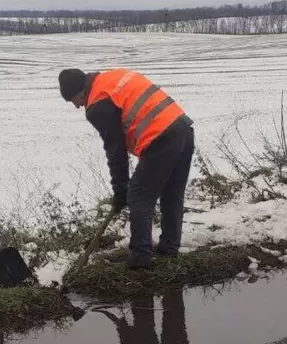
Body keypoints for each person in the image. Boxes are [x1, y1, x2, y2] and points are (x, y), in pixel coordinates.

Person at [58, 68, 195, 269]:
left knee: (138, 197)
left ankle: (140, 259)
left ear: (80, 90)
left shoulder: (97, 104)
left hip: (160, 138)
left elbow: (115, 149)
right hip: (183, 128)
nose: (78, 106)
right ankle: (169, 249)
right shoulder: (111, 78)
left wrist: (121, 188)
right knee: (172, 194)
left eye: (74, 100)